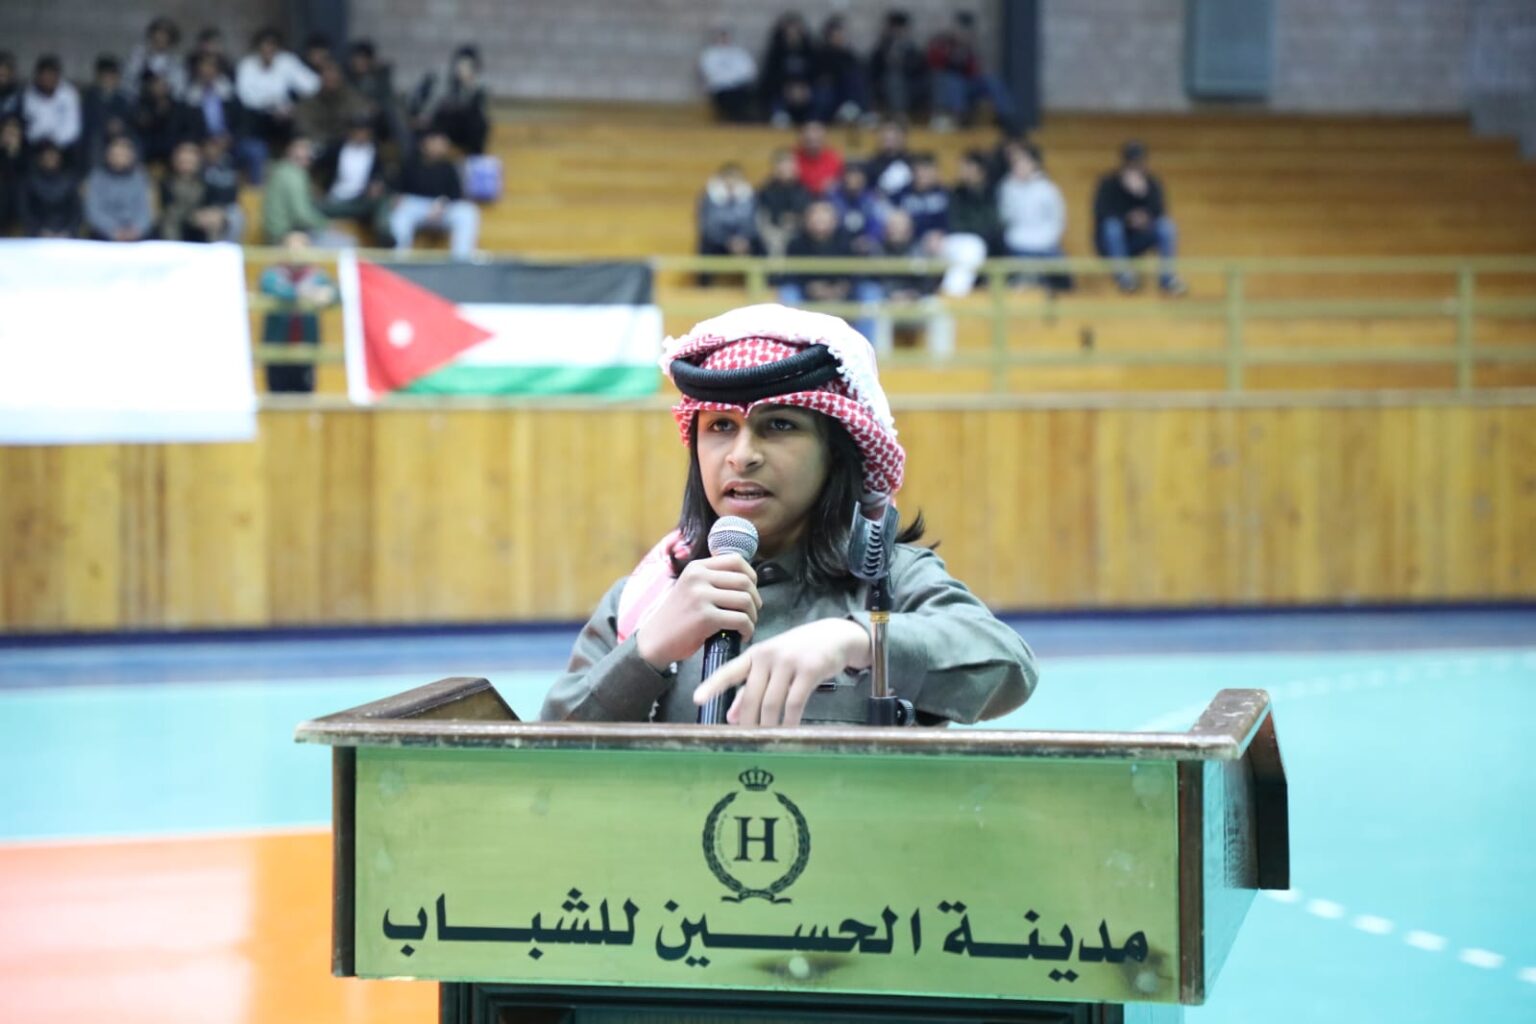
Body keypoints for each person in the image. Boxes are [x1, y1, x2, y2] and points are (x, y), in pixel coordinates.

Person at [540, 302, 1038, 726]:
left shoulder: (888, 581)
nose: (742, 456)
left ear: (835, 454)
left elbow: (1008, 666)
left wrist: (858, 639)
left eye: (779, 425)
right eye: (720, 427)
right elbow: (547, 756)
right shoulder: (644, 600)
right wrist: (646, 653)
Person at [778, 199, 881, 341]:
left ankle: (866, 346)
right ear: (806, 219)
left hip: (844, 294)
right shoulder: (795, 244)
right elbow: (790, 275)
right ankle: (795, 348)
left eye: (824, 215)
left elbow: (857, 272)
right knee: (788, 293)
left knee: (871, 292)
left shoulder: (848, 241)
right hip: (807, 294)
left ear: (834, 220)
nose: (820, 219)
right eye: (815, 215)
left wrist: (842, 288)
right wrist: (810, 288)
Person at [1093, 141, 1186, 295]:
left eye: (1139, 162)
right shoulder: (1109, 183)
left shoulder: (1151, 183)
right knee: (1112, 226)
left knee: (1166, 226)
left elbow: (1159, 211)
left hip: (1140, 238)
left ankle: (1168, 279)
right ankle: (1125, 277)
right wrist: (1127, 218)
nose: (1135, 166)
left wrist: (1142, 195)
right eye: (1131, 163)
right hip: (1112, 241)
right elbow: (1101, 212)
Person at [236, 27, 321, 176]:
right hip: (257, 119)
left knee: (301, 126)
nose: (268, 50)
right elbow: (246, 98)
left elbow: (312, 85)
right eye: (264, 46)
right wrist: (271, 104)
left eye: (272, 46)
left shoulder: (286, 61)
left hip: (284, 119)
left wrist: (292, 105)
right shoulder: (247, 65)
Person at [390, 129, 479, 258]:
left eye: (442, 143)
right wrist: (397, 197)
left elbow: (456, 194)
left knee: (468, 212)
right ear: (424, 144)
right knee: (401, 212)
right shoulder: (410, 164)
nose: (440, 146)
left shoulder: (449, 167)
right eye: (436, 142)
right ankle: (400, 257)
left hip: (442, 208)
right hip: (416, 206)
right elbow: (397, 189)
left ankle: (461, 259)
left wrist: (442, 203)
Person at [925, 11, 1017, 132]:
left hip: (967, 85)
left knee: (992, 80)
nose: (963, 33)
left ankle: (1006, 115)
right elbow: (934, 66)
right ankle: (960, 116)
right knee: (953, 81)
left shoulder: (969, 46)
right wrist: (951, 54)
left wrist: (967, 54)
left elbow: (975, 72)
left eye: (966, 31)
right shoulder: (942, 42)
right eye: (960, 30)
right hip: (947, 85)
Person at [998, 142, 1069, 293]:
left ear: (1034, 164)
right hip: (1018, 241)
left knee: (1062, 276)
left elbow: (1058, 218)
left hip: (1046, 241)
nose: (1020, 167)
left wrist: (1049, 238)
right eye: (1017, 164)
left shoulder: (1048, 189)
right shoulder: (1007, 187)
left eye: (1025, 163)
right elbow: (1005, 216)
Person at [261, 134, 352, 247]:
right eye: (302, 148)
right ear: (290, 150)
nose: (307, 153)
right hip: (286, 236)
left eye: (307, 149)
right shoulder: (293, 174)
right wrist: (325, 224)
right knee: (346, 243)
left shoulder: (281, 170)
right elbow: (301, 215)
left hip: (281, 233)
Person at [316, 117, 394, 245]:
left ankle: (385, 237)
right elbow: (316, 168)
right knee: (311, 207)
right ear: (350, 132)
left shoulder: (376, 152)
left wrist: (376, 185)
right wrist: (317, 190)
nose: (361, 135)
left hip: (360, 202)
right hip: (334, 201)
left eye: (365, 132)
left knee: (382, 201)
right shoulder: (335, 148)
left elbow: (380, 177)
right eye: (358, 131)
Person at [83, 135, 154, 242]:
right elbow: (94, 211)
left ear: (132, 156)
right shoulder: (97, 177)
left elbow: (146, 210)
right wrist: (113, 231)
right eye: (116, 154)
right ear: (108, 155)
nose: (120, 158)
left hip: (136, 234)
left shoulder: (139, 177)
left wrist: (137, 229)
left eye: (124, 154)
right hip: (105, 234)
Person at [696, 162, 761, 278]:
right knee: (705, 246)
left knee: (760, 245)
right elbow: (708, 226)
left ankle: (761, 283)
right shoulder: (709, 198)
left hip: (743, 242)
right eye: (728, 177)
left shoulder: (750, 197)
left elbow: (753, 222)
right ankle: (704, 285)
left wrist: (742, 239)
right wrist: (728, 241)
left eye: (735, 178)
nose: (732, 182)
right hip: (718, 242)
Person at [158, 140, 228, 242]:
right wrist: (193, 217)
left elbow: (214, 204)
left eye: (190, 159)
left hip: (200, 230)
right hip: (174, 231)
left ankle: (215, 250)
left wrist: (212, 214)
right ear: (175, 160)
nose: (187, 161)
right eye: (183, 159)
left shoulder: (205, 185)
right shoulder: (165, 184)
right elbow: (167, 210)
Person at [294, 60, 369, 156]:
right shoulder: (308, 103)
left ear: (340, 78)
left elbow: (359, 120)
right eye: (327, 78)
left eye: (334, 78)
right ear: (321, 79)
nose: (330, 81)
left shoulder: (353, 99)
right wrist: (326, 140)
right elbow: (304, 126)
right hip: (319, 146)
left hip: (348, 146)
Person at [760, 13, 818, 128]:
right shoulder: (776, 51)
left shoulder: (811, 50)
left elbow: (816, 73)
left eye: (796, 31)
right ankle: (780, 115)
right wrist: (788, 87)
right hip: (783, 89)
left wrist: (804, 87)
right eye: (790, 31)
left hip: (806, 89)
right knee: (772, 91)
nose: (793, 34)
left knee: (822, 92)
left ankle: (814, 119)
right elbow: (770, 75)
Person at [868, 11, 927, 124]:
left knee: (897, 81)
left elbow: (919, 67)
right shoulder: (884, 45)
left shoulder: (911, 47)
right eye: (895, 28)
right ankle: (898, 113)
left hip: (909, 80)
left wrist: (903, 62)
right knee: (893, 79)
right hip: (887, 80)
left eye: (900, 28)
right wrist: (888, 59)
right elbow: (875, 66)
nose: (897, 31)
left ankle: (899, 113)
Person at [80, 56, 136, 166]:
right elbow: (87, 123)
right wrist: (106, 125)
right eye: (106, 76)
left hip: (119, 136)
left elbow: (129, 119)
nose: (109, 80)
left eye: (113, 76)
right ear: (99, 77)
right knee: (95, 141)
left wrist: (119, 125)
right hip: (96, 137)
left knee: (131, 141)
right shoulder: (89, 97)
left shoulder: (122, 99)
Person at [21, 55, 82, 158]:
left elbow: (72, 127)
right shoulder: (28, 95)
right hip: (37, 145)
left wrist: (55, 142)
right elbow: (29, 128)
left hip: (64, 146)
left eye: (52, 74)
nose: (48, 79)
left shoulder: (69, 93)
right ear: (38, 76)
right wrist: (43, 141)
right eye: (44, 75)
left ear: (58, 76)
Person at [18, 141, 81, 238]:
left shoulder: (69, 180)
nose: (51, 158)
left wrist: (68, 231)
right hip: (37, 235)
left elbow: (76, 210)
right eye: (47, 156)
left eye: (53, 155)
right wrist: (39, 231)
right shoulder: (29, 181)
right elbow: (25, 210)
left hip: (66, 235)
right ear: (40, 158)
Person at [814, 16, 869, 125]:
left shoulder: (849, 55)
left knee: (856, 79)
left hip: (847, 92)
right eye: (836, 35)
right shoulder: (821, 55)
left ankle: (853, 109)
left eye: (841, 35)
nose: (840, 38)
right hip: (831, 91)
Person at [755, 148, 810, 258]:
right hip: (773, 233)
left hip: (799, 232)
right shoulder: (765, 190)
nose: (786, 168)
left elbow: (808, 214)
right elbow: (761, 219)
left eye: (789, 164)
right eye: (782, 164)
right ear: (775, 167)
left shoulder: (804, 189)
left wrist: (796, 220)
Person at [698, 26, 756, 124]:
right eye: (721, 37)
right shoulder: (709, 55)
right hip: (721, 90)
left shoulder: (739, 53)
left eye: (726, 37)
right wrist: (730, 79)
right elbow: (711, 74)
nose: (724, 39)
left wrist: (732, 80)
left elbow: (749, 71)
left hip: (739, 88)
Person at [793, 120, 842, 196]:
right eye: (809, 141)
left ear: (823, 139)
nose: (813, 145)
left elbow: (840, 183)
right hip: (800, 197)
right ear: (801, 139)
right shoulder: (793, 157)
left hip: (826, 197)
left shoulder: (833, 158)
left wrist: (834, 184)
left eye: (817, 140)